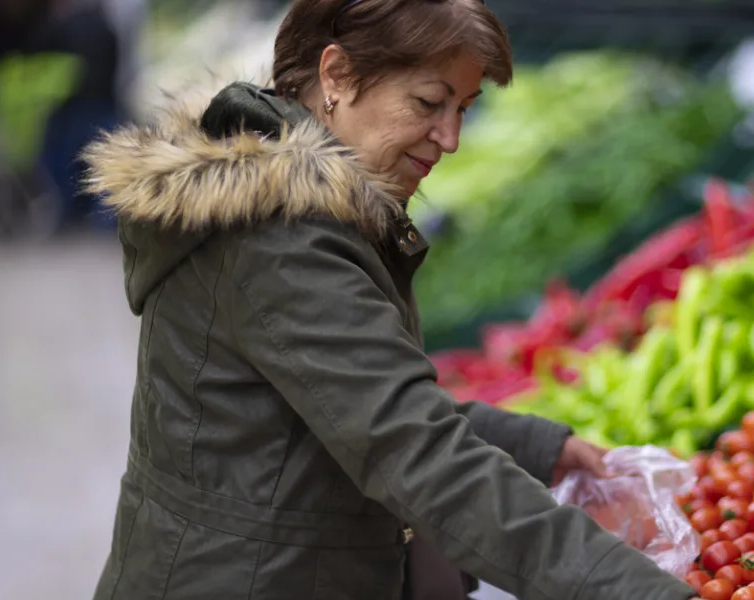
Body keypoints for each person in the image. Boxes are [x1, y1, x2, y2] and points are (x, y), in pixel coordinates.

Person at [82, 0, 700, 599]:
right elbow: (417, 453)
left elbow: (342, 402)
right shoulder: (281, 240)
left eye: (464, 107)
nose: (451, 137)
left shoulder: (296, 210)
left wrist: (535, 447)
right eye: (430, 103)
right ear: (337, 76)